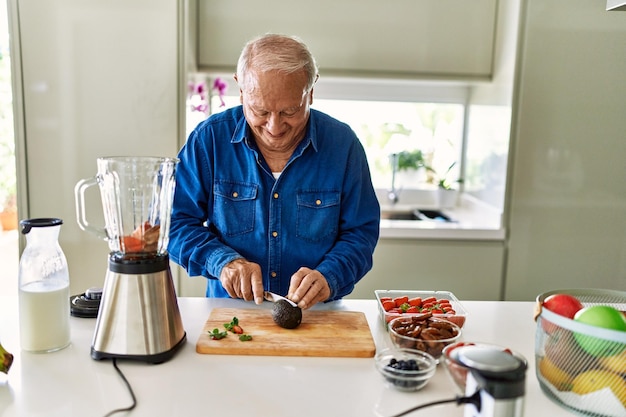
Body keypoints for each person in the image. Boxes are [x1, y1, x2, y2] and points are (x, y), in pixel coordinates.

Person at [168, 34, 380, 309]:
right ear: (241, 90)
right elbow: (173, 223)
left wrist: (330, 276)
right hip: (231, 315)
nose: (274, 127)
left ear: (311, 91)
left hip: (317, 316)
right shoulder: (208, 140)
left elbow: (360, 233)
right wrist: (221, 262)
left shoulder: (343, 146)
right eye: (260, 111)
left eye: (290, 111)